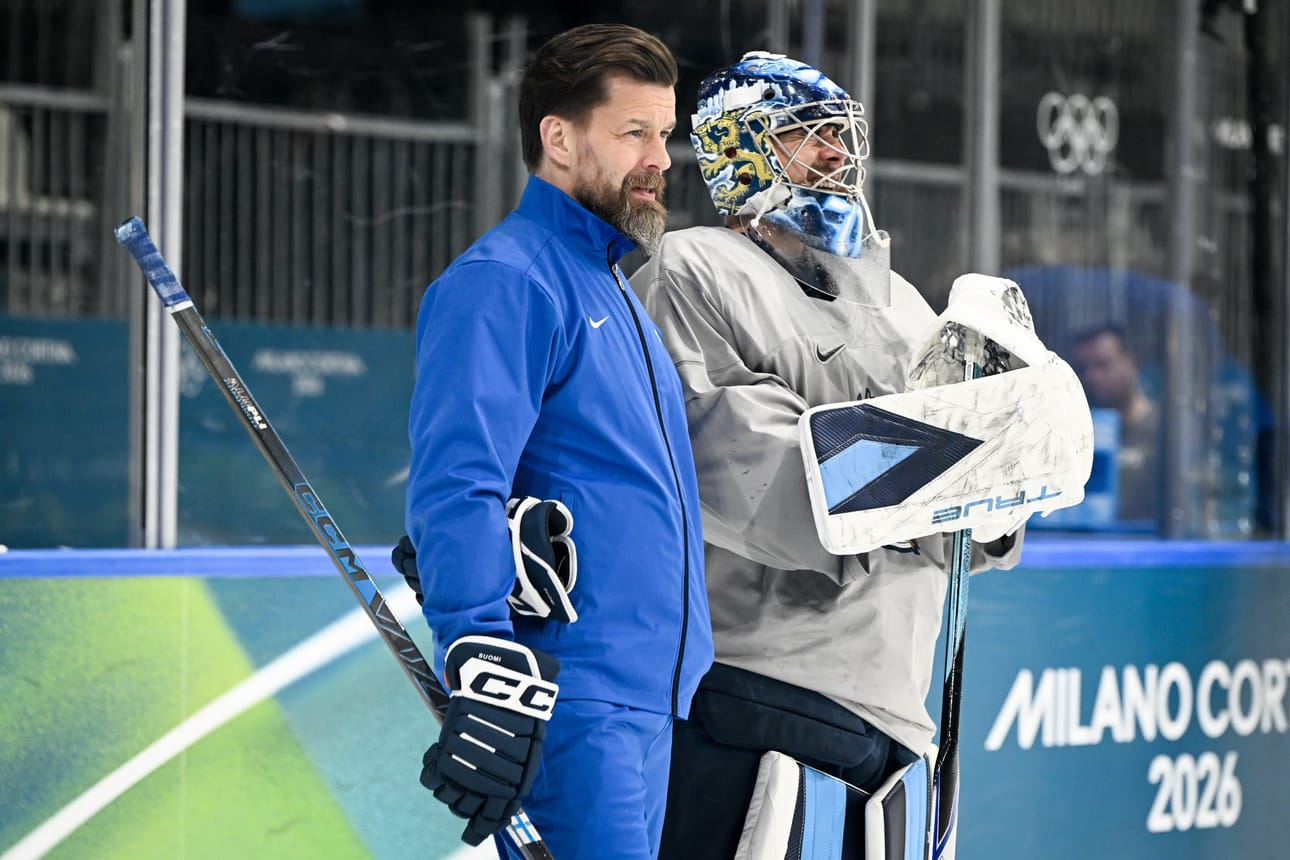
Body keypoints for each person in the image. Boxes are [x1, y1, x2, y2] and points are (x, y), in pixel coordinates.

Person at [629, 52, 1025, 858]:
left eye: (841, 135)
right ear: (739, 150)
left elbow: (962, 525)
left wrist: (1012, 479)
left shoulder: (906, 303)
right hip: (753, 693)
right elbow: (767, 482)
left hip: (893, 717)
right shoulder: (694, 270)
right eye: (804, 136)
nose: (836, 155)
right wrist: (955, 460)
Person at [396, 24, 712, 860]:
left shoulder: (616, 294)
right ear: (560, 137)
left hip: (649, 697)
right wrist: (482, 656)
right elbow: (457, 483)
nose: (661, 158)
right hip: (574, 701)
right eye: (635, 132)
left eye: (665, 133)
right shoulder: (508, 281)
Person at [1071, 324, 1161, 523]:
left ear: (1131, 363)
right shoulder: (1073, 431)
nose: (1092, 377)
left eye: (1103, 364)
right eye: (1083, 368)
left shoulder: (1163, 431)